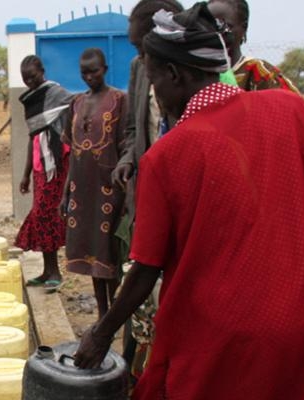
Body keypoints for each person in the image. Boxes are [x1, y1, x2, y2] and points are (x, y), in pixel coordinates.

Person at [74, 3, 304, 399]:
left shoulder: (167, 156)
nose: (154, 91)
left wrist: (101, 332)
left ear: (175, 75)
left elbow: (146, 269)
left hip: (220, 344)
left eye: (155, 78)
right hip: (303, 328)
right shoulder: (289, 110)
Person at [111, 0, 184, 383]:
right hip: (147, 195)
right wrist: (128, 158)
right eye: (137, 48)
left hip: (184, 200)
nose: (140, 56)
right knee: (141, 279)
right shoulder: (140, 70)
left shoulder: (200, 78)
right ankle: (136, 368)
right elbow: (132, 130)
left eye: (143, 47)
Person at [61, 48, 127, 318]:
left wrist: (128, 194)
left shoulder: (119, 100)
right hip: (82, 190)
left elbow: (126, 148)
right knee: (90, 257)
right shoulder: (75, 103)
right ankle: (102, 313)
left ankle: (115, 314)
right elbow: (73, 151)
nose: (89, 77)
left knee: (108, 254)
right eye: (84, 73)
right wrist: (66, 194)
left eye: (94, 71)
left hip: (109, 190)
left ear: (105, 69)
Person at [16, 55, 72, 288]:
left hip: (57, 163)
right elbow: (33, 137)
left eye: (33, 76)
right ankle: (47, 270)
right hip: (41, 165)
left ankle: (55, 272)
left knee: (47, 215)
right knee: (42, 215)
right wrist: (26, 173)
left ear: (43, 71)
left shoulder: (57, 94)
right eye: (26, 79)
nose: (30, 82)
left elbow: (71, 123)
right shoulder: (30, 101)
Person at [208, 0, 298, 92]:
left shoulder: (260, 73)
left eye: (225, 26)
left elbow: (292, 104)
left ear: (244, 27)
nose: (215, 33)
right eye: (208, 26)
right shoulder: (196, 75)